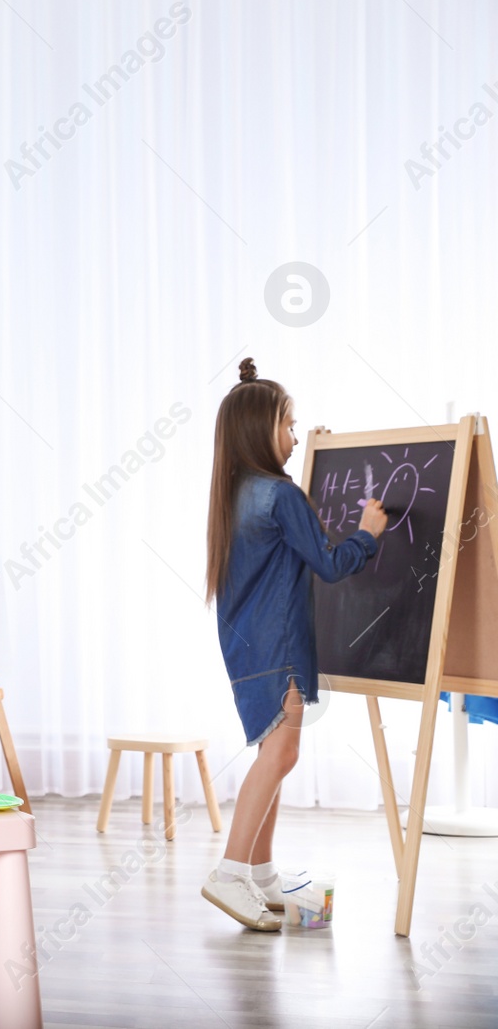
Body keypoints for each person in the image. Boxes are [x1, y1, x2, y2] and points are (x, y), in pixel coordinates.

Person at [201, 359, 386, 929]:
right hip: (278, 644)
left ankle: (258, 873)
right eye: (288, 424)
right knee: (282, 753)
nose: (295, 435)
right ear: (262, 430)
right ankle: (230, 872)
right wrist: (368, 533)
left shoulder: (235, 493)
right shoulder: (280, 495)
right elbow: (330, 565)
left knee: (272, 751)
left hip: (246, 644)